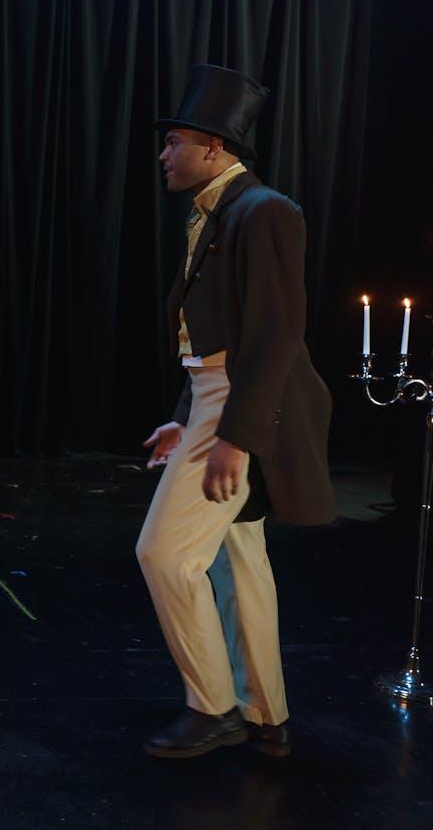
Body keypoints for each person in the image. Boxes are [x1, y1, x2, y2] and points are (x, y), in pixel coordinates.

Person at [136, 65, 335, 758]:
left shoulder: (263, 210)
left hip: (246, 401)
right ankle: (264, 712)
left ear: (215, 148)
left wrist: (233, 437)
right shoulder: (219, 211)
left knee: (163, 553)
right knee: (238, 556)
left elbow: (274, 334)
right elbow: (213, 338)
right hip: (218, 396)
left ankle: (213, 705)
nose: (164, 155)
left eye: (174, 143)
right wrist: (187, 415)